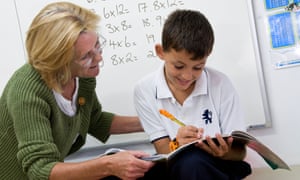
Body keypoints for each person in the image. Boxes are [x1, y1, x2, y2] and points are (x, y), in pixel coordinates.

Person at [0, 2, 155, 179]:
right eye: (86, 56)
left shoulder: (82, 75)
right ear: (59, 62)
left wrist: (154, 120)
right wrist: (108, 165)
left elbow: (94, 120)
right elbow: (39, 168)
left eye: (97, 45)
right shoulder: (27, 92)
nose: (99, 57)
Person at [134, 9, 252, 179]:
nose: (187, 76)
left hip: (217, 165)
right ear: (160, 52)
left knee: (195, 163)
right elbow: (162, 149)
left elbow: (239, 153)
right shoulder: (144, 90)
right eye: (179, 66)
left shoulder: (220, 84)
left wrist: (224, 152)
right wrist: (176, 144)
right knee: (186, 163)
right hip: (178, 167)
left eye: (198, 67)